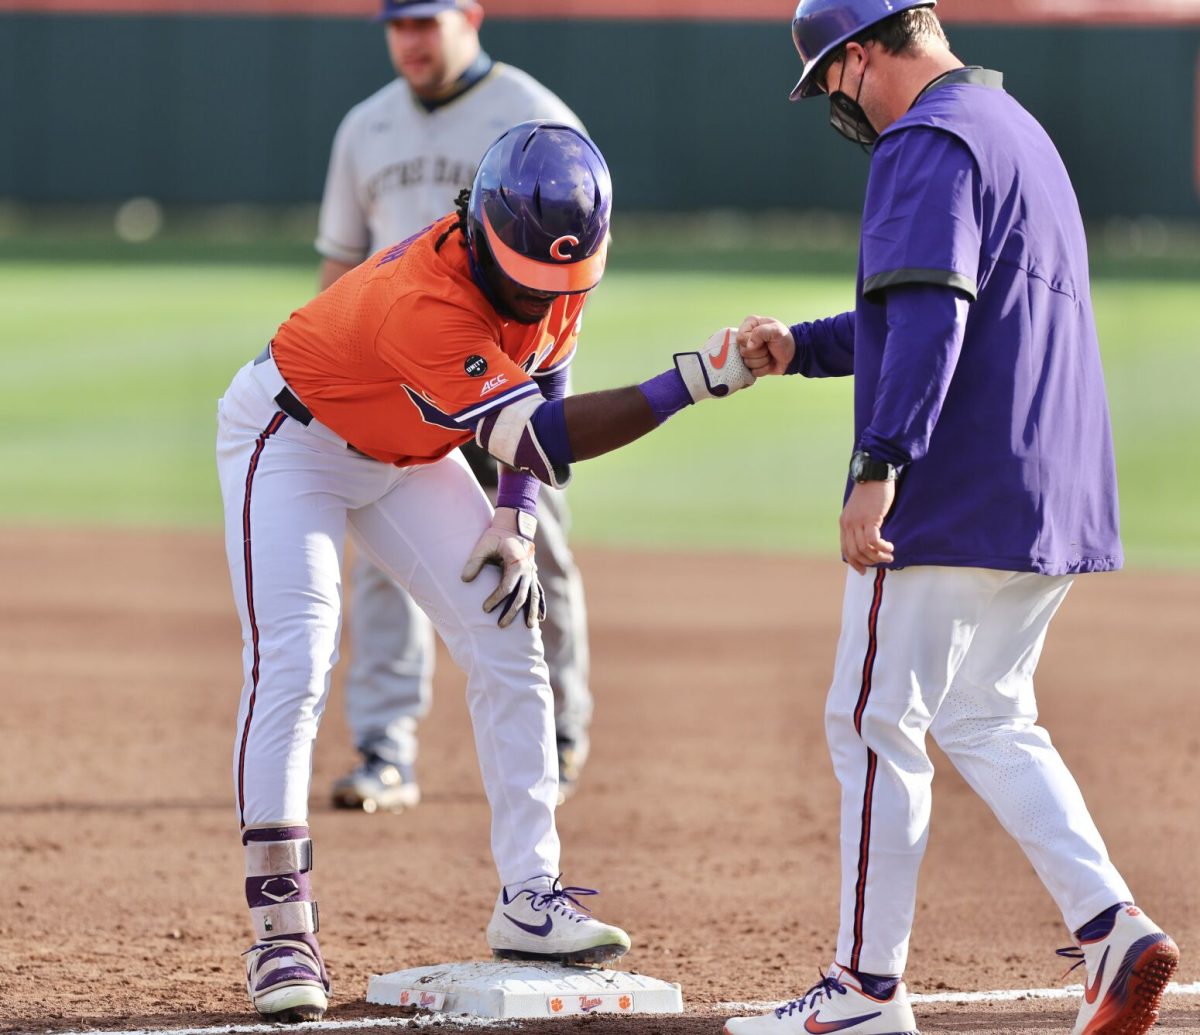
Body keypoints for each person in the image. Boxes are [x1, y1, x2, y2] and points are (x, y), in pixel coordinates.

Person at [216, 120, 755, 1023]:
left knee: (508, 625)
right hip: (294, 440)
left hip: (413, 448)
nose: (541, 296)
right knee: (300, 660)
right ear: (478, 228)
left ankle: (530, 895)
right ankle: (282, 932)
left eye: (560, 282)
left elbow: (546, 369)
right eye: (524, 277)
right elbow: (546, 435)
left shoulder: (558, 262)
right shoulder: (425, 301)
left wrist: (514, 512)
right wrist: (689, 383)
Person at [721, 4, 1180, 1035]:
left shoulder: (923, 138)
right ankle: (1112, 932)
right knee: (985, 713)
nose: (835, 106)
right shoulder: (1013, 129)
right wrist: (799, 346)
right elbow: (931, 303)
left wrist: (879, 463)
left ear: (860, 54)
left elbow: (933, 306)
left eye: (830, 81)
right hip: (1049, 484)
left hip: (955, 483)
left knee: (873, 718)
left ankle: (863, 990)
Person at [316, 0, 594, 812]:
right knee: (382, 562)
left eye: (423, 23)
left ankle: (560, 734)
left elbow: (579, 253)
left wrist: (547, 377)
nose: (408, 41)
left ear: (469, 15)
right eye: (397, 26)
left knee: (540, 550)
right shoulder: (364, 127)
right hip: (397, 382)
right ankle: (385, 747)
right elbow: (342, 266)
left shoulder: (533, 116)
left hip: (505, 373)